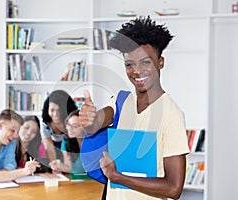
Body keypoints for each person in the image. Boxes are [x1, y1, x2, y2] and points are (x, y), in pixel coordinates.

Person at [79, 16, 190, 200]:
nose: (136, 71)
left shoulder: (171, 114)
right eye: (129, 64)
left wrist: (118, 177)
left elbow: (173, 188)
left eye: (146, 62)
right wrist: (90, 119)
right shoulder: (121, 101)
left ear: (160, 62)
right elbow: (98, 122)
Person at [41, 90, 78, 162]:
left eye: (59, 110)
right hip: (54, 151)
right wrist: (55, 166)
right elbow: (49, 149)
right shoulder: (45, 124)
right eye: (52, 110)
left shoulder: (72, 121)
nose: (55, 115)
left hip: (72, 151)